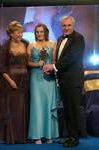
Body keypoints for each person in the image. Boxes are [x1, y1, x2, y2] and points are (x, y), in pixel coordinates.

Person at [43, 16, 85, 147]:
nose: (66, 28)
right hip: (64, 80)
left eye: (69, 25)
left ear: (73, 25)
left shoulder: (78, 38)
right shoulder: (60, 38)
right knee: (67, 110)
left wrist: (54, 67)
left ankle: (75, 138)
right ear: (61, 26)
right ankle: (70, 136)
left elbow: (71, 57)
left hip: (73, 81)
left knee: (73, 110)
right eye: (64, 25)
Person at [0, 21, 29, 144]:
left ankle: (21, 137)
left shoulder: (26, 44)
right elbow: (1, 67)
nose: (20, 34)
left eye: (21, 32)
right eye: (17, 32)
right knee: (11, 110)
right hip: (10, 81)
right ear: (11, 34)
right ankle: (11, 137)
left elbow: (29, 62)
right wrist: (10, 81)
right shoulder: (5, 47)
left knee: (21, 109)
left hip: (24, 81)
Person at [27, 23, 59, 144]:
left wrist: (54, 74)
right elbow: (27, 63)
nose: (39, 34)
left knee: (47, 105)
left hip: (49, 79)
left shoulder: (53, 44)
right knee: (37, 106)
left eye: (41, 31)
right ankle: (37, 136)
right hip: (36, 78)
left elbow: (55, 62)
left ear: (45, 32)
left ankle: (48, 134)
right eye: (37, 32)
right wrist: (37, 64)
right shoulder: (31, 45)